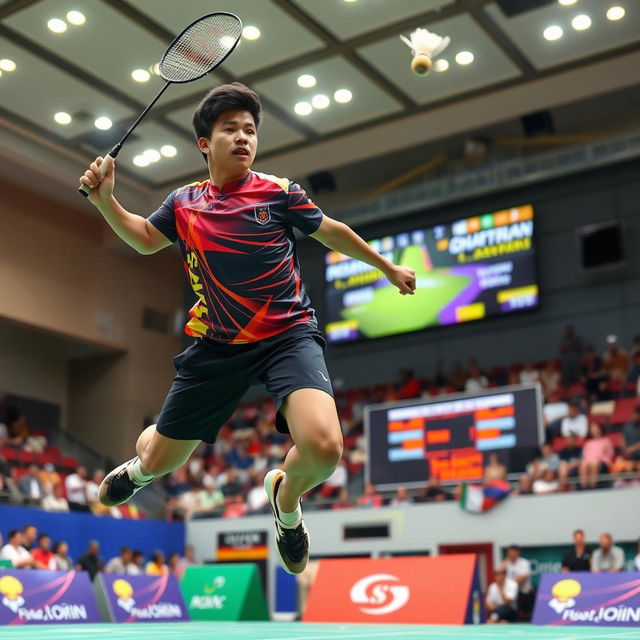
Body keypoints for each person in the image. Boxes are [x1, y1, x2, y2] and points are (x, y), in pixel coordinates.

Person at [79, 82, 417, 576]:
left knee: (324, 449)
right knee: (160, 459)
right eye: (230, 130)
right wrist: (105, 200)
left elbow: (331, 230)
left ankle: (286, 500)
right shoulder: (184, 203)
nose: (243, 138)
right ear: (204, 143)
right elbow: (146, 240)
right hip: (217, 345)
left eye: (251, 131)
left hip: (287, 334)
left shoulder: (277, 192)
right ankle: (140, 467)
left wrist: (386, 266)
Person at [579, 422, 614, 489]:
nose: (595, 431)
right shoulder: (588, 443)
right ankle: (584, 487)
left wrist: (601, 459)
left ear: (600, 429)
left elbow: (610, 454)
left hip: (601, 462)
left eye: (596, 428)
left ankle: (593, 487)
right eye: (593, 429)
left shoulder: (606, 441)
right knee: (583, 464)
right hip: (588, 461)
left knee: (594, 463)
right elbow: (585, 456)